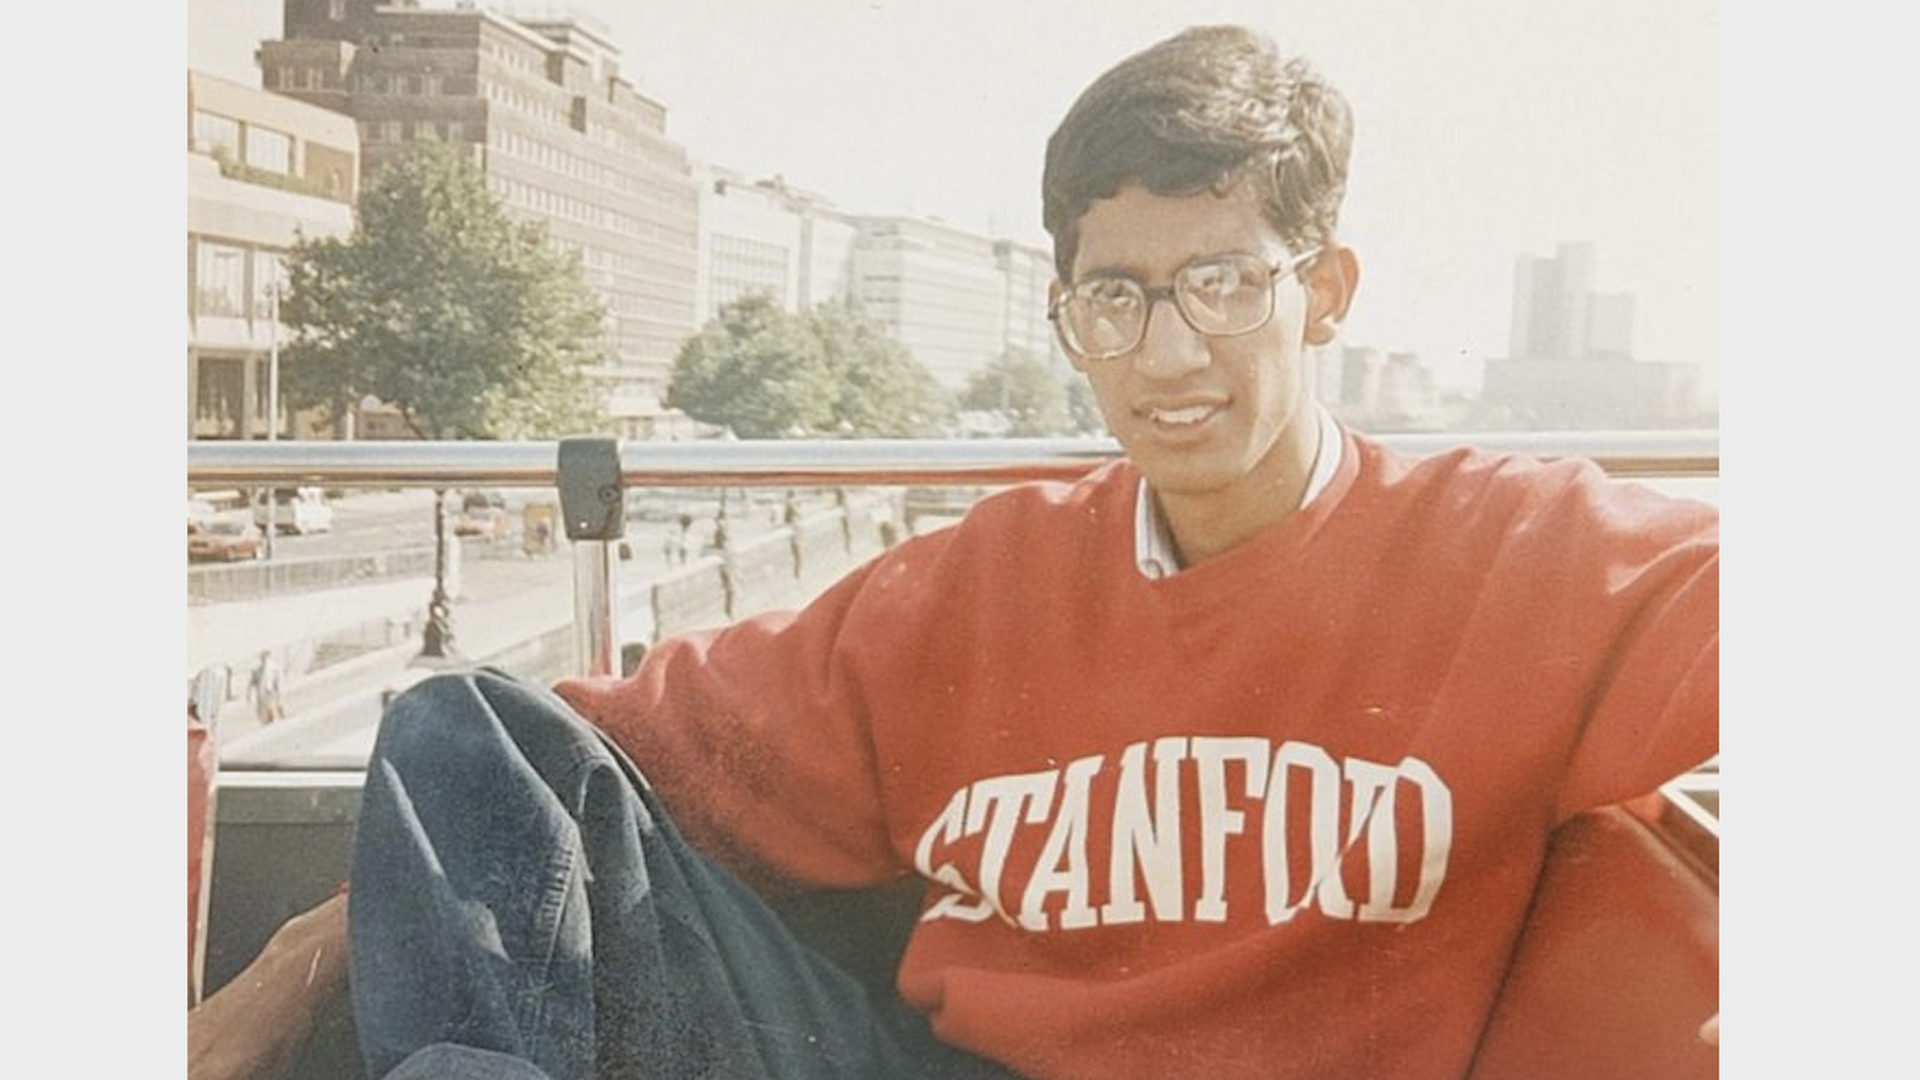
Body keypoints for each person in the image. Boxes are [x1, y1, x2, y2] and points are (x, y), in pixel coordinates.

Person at [337, 24, 1716, 1080]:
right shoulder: (976, 587)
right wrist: (297, 965)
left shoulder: (1517, 552)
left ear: (1326, 294)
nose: (1167, 355)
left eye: (1225, 283)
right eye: (1116, 295)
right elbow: (541, 779)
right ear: (1067, 308)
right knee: (457, 726)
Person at [247, 650, 286, 725]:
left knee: (271, 705)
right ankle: (267, 720)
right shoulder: (257, 670)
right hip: (262, 693)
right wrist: (249, 693)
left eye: (265, 657)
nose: (264, 659)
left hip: (269, 691)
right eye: (263, 657)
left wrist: (277, 689)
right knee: (263, 708)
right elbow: (252, 682)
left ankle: (272, 718)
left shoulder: (274, 667)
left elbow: (277, 679)